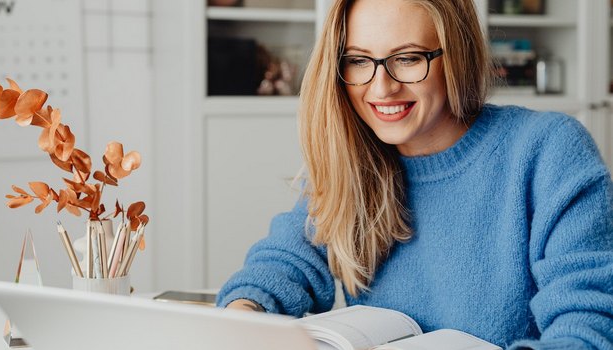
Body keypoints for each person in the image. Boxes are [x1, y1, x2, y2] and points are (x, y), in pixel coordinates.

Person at [215, 0, 613, 349]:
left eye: (407, 58)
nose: (381, 87)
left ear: (456, 54)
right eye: (358, 60)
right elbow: (283, 264)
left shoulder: (547, 151)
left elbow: (590, 328)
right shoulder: (351, 157)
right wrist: (243, 314)